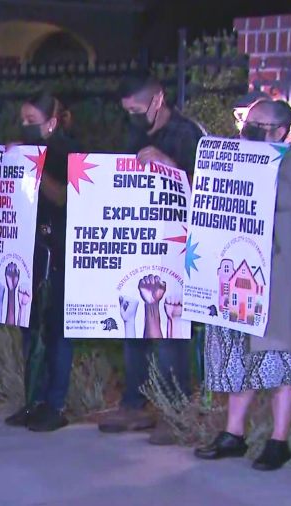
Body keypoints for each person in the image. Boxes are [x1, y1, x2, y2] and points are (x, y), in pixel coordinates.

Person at [194, 100, 291, 471]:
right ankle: (234, 433)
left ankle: (279, 441)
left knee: (277, 357)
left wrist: (254, 168)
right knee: (238, 355)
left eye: (261, 125)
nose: (251, 130)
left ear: (281, 132)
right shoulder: (239, 154)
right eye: (250, 122)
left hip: (275, 273)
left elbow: (286, 200)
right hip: (239, 271)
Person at [97, 75, 205, 445]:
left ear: (158, 100)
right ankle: (134, 404)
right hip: (140, 240)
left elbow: (205, 190)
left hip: (176, 246)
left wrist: (167, 164)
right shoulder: (134, 134)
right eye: (127, 111)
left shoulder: (189, 134)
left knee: (171, 330)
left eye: (137, 110)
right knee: (133, 323)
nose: (132, 117)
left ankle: (176, 412)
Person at [3, 91, 82, 432]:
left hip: (59, 249)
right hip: (29, 248)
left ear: (51, 123)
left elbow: (65, 196)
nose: (26, 127)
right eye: (23, 121)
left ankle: (55, 402)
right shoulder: (26, 148)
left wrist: (31, 166)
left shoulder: (66, 152)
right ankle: (33, 398)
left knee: (56, 329)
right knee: (30, 325)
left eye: (32, 122)